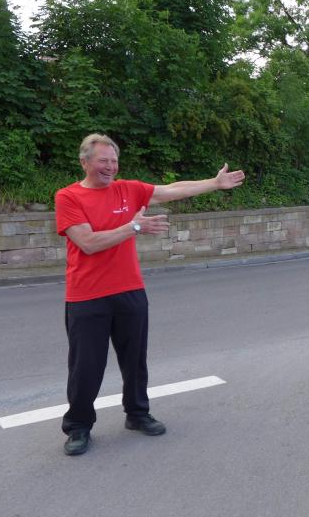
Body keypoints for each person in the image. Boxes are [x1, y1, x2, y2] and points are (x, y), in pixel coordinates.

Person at [55, 133, 245, 456]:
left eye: (114, 161)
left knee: (135, 360)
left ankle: (137, 413)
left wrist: (214, 183)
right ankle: (78, 426)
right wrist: (134, 227)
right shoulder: (68, 197)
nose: (110, 167)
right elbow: (87, 243)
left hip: (129, 290)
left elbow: (171, 190)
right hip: (86, 295)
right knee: (86, 366)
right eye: (103, 161)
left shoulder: (128, 189)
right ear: (84, 162)